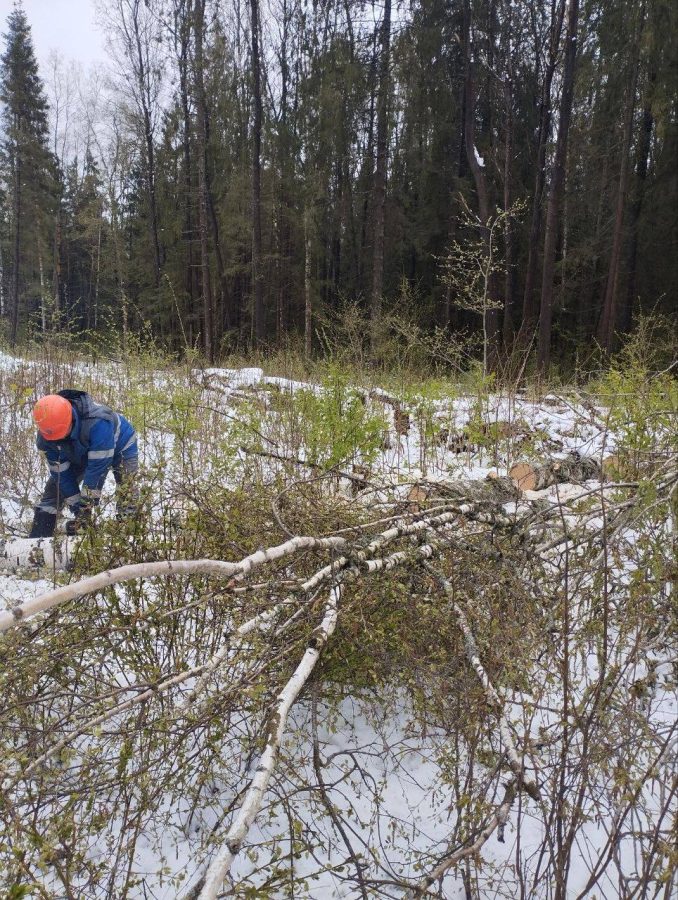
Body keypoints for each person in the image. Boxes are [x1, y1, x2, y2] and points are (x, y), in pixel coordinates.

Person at [29, 390, 139, 538]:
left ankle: (127, 537)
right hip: (80, 449)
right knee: (53, 492)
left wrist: (86, 506)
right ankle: (37, 543)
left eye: (61, 435)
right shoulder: (48, 433)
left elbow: (97, 470)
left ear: (70, 419)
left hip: (121, 445)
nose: (56, 441)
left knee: (127, 488)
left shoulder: (98, 423)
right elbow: (61, 475)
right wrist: (77, 509)